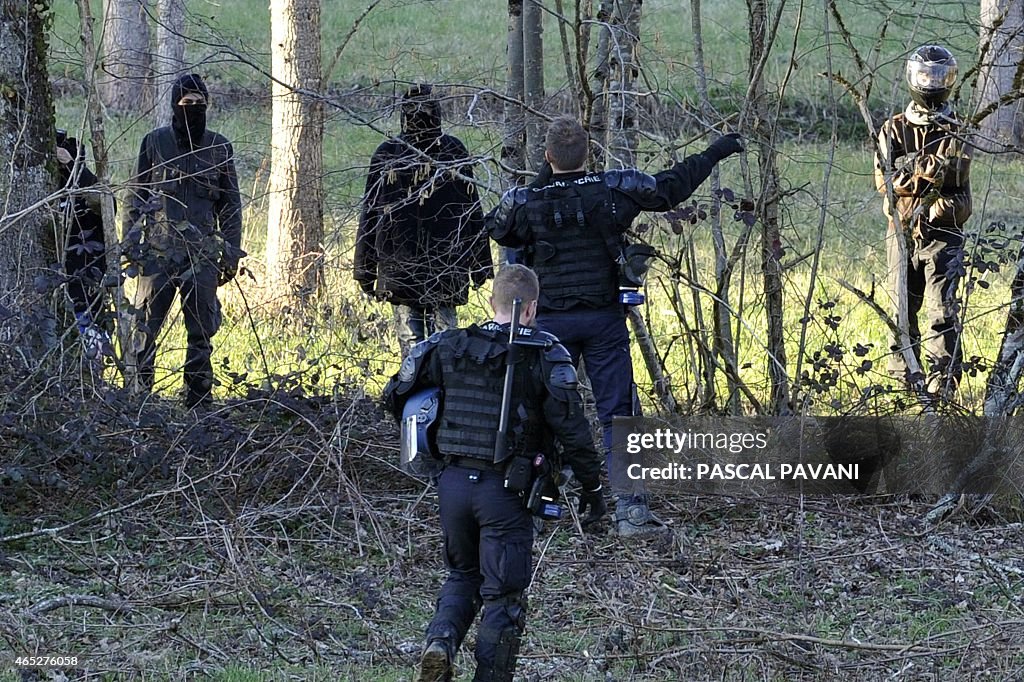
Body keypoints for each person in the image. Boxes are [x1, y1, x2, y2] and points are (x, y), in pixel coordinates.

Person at [487, 116, 743, 536]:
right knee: (619, 414)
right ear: (588, 152)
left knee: (537, 410)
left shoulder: (523, 200)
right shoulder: (611, 190)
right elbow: (670, 187)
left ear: (548, 155)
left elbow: (499, 230)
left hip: (547, 323)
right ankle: (631, 511)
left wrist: (541, 183)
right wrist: (715, 152)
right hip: (603, 319)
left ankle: (530, 504)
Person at [383, 264, 605, 682]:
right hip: (506, 491)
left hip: (451, 486)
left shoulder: (446, 346)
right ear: (532, 307)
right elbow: (572, 430)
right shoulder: (544, 353)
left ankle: (441, 642)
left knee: (462, 574)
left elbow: (396, 396)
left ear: (491, 302)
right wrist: (592, 487)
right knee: (504, 596)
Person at [123, 73, 243, 408]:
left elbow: (230, 205)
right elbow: (136, 198)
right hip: (157, 254)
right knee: (145, 330)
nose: (193, 108)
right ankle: (138, 401)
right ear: (175, 105)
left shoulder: (220, 148)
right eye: (186, 103)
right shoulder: (154, 143)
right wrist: (131, 247)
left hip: (202, 257)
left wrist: (230, 253)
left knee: (201, 334)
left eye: (199, 103)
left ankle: (198, 402)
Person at [355, 84, 493, 358]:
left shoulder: (393, 153)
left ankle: (418, 395)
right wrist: (480, 267)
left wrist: (365, 270)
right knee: (442, 346)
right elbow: (472, 213)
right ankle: (437, 394)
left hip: (407, 270)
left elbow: (471, 213)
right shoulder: (449, 152)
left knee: (416, 347)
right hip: (435, 268)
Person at [875, 45, 971, 398]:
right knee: (902, 308)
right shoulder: (893, 129)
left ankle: (943, 383)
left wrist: (911, 172)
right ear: (912, 77)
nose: (931, 83)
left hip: (944, 231)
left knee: (941, 308)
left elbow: (957, 171)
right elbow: (885, 180)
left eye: (938, 76)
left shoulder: (958, 129)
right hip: (900, 233)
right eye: (925, 76)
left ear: (949, 79)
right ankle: (905, 379)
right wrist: (930, 171)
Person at [56, 129, 110, 356]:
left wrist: (73, 167)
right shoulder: (37, 193)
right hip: (51, 297)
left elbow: (108, 208)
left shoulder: (89, 191)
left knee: (90, 366)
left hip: (87, 300)